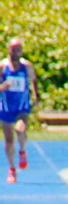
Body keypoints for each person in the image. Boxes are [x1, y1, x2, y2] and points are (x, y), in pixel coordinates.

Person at [0, 38, 39, 183]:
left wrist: (35, 95)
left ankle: (22, 150)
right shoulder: (3, 66)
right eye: (13, 49)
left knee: (20, 129)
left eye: (19, 49)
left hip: (22, 106)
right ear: (8, 50)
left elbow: (34, 80)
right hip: (6, 107)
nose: (16, 52)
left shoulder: (26, 66)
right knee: (9, 141)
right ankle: (12, 170)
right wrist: (3, 87)